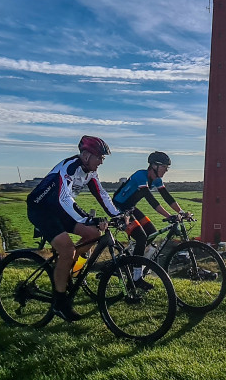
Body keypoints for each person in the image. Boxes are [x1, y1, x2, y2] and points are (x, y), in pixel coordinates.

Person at [26, 135, 122, 322]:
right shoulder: (69, 167)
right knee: (68, 249)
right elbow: (64, 199)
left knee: (93, 233)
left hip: (59, 210)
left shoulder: (90, 172)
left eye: (103, 158)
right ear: (86, 155)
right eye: (99, 157)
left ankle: (66, 267)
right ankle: (60, 303)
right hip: (41, 210)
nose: (101, 162)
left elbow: (102, 194)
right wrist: (87, 218)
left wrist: (117, 215)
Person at [111, 151, 191, 290]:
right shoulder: (141, 176)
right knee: (141, 237)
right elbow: (151, 200)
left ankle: (132, 260)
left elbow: (167, 197)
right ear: (154, 166)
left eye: (167, 167)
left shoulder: (157, 180)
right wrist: (168, 216)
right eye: (164, 167)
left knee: (152, 233)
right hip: (118, 209)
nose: (166, 170)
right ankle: (136, 278)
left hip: (130, 208)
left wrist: (182, 212)